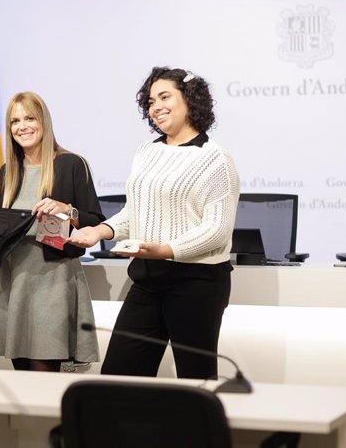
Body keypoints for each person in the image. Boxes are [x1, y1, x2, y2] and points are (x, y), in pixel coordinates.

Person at [68, 67, 240, 379]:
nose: (155, 106)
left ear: (190, 99)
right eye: (150, 101)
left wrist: (165, 249)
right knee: (119, 377)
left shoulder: (215, 158)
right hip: (147, 280)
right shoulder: (147, 151)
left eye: (164, 97)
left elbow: (217, 230)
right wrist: (99, 231)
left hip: (197, 284)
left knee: (196, 380)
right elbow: (135, 213)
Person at [0, 91, 103, 372]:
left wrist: (66, 209)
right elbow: (4, 226)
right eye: (15, 121)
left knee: (44, 374)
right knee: (20, 374)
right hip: (13, 278)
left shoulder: (71, 164)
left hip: (52, 281)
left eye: (29, 118)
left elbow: (95, 220)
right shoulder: (9, 170)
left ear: (43, 120)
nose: (22, 126)